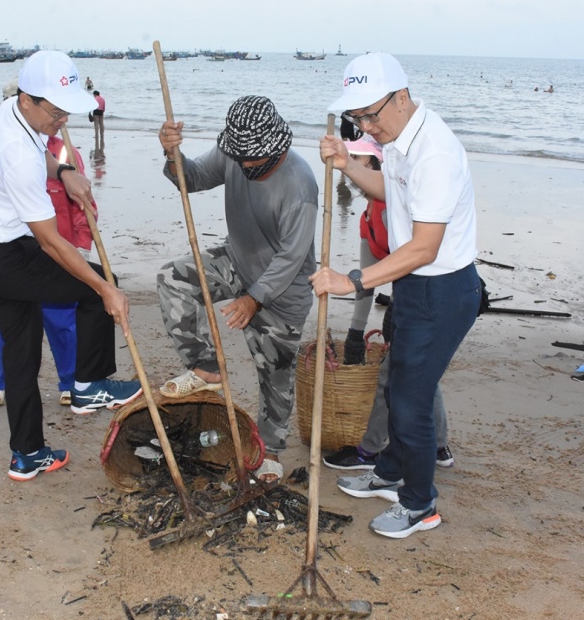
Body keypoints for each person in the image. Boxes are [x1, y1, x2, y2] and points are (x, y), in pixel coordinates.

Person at [312, 53, 480, 539]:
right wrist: (346, 164)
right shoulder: (403, 139)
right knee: (395, 384)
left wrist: (355, 280)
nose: (366, 125)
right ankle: (389, 473)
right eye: (356, 118)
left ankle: (420, 503)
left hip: (443, 289)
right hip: (413, 285)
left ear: (401, 98)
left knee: (412, 400)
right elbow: (389, 190)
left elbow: (425, 247)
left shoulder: (436, 152)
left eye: (371, 114)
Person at [0, 50, 142, 482]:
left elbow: (36, 146)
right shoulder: (17, 156)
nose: (62, 120)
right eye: (56, 111)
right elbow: (52, 243)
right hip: (8, 257)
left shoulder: (13, 112)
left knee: (22, 355)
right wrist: (105, 291)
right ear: (26, 98)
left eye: (67, 111)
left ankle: (27, 453)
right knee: (100, 283)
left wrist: (63, 173)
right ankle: (88, 385)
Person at [156, 95, 318, 484]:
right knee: (173, 278)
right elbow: (189, 180)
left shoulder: (300, 186)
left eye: (252, 160)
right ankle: (206, 367)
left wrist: (253, 298)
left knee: (275, 376)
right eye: (240, 157)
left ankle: (271, 452)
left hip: (283, 289)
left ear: (277, 147)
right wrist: (171, 153)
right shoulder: (235, 152)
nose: (244, 165)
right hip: (237, 259)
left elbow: (291, 259)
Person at [323, 135, 455, 472]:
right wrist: (355, 331)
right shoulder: (367, 215)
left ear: (377, 165)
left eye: (359, 161)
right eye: (349, 161)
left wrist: (400, 306)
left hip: (428, 291)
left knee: (396, 373)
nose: (350, 170)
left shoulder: (399, 206)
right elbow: (367, 279)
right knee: (417, 370)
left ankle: (368, 451)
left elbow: (421, 255)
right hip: (403, 291)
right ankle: (439, 446)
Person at [0, 136, 93, 408]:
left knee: (62, 321)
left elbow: (84, 205)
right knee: (5, 323)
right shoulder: (3, 150)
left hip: (57, 252)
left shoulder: (66, 152)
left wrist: (82, 244)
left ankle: (71, 382)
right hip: (14, 255)